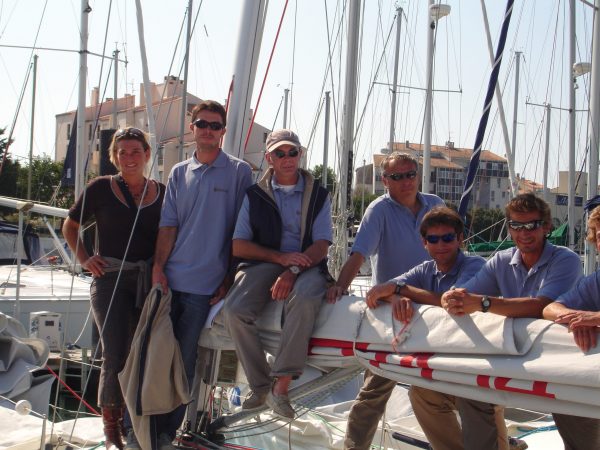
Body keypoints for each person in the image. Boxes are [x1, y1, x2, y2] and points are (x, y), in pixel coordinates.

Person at [442, 193, 598, 450]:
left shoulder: (566, 260)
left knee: (579, 422)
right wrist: (453, 296)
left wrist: (484, 304)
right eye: (516, 225)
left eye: (531, 225)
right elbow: (551, 309)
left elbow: (540, 306)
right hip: (513, 360)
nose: (523, 232)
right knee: (469, 393)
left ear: (546, 226)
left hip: (561, 366)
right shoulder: (502, 260)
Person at [151, 100, 253, 449]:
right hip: (169, 282)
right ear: (192, 128)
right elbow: (168, 225)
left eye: (215, 125)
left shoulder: (240, 172)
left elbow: (242, 232)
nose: (208, 130)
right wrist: (158, 268)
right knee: (159, 355)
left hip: (205, 286)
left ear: (223, 131)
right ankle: (152, 426)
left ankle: (170, 431)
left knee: (185, 360)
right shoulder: (179, 172)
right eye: (202, 123)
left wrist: (228, 278)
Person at [325, 152, 444, 450]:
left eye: (410, 174)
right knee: (375, 389)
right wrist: (340, 287)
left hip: (433, 307)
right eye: (397, 176)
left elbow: (453, 253)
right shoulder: (379, 211)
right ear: (385, 181)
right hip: (393, 309)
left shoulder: (435, 205)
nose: (406, 181)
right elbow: (359, 254)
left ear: (418, 175)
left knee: (444, 386)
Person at [63, 127, 164, 450]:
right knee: (115, 353)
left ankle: (137, 423)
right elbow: (71, 224)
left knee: (144, 353)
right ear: (114, 157)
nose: (129, 158)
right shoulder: (100, 189)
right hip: (110, 279)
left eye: (136, 151)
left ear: (147, 154)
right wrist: (84, 259)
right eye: (122, 153)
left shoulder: (162, 192)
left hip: (146, 281)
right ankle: (111, 430)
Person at [223, 129, 332, 419]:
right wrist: (279, 258)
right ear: (269, 158)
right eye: (280, 154)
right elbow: (239, 245)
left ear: (300, 155)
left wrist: (293, 269)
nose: (287, 159)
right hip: (266, 262)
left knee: (307, 296)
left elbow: (321, 244)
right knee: (234, 311)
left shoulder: (319, 194)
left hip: (307, 264)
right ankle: (260, 384)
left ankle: (280, 386)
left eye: (292, 152)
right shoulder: (255, 195)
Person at [542, 206, 600, 449]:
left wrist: (595, 318)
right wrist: (575, 318)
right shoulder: (595, 282)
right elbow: (550, 309)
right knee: (567, 398)